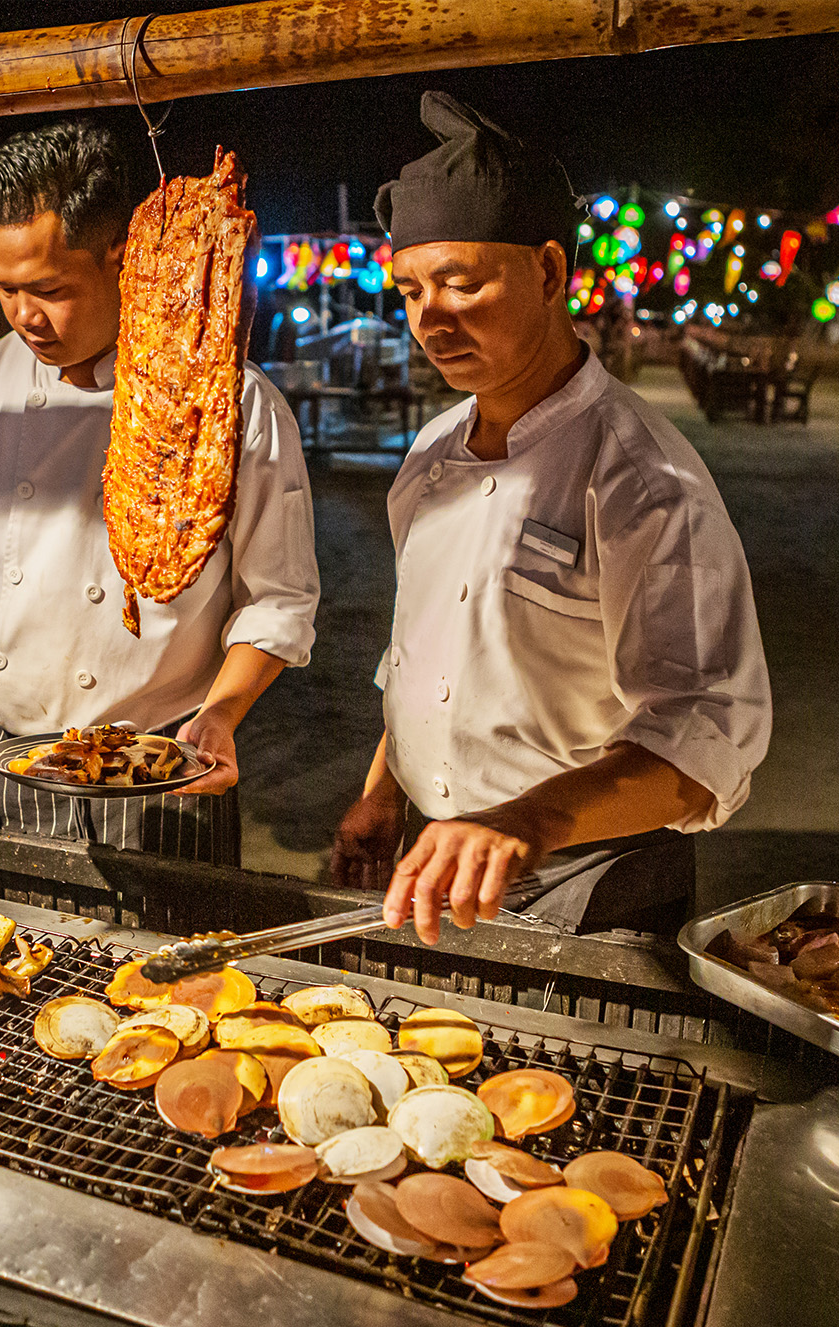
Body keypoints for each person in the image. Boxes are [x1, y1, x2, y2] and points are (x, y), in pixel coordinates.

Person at [329, 93, 771, 943]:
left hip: (590, 873)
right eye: (412, 290)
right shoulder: (428, 455)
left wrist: (529, 821)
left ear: (549, 270)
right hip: (444, 853)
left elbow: (703, 733)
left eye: (462, 283)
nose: (432, 319)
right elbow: (420, 652)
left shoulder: (643, 479)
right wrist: (385, 791)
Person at [0, 120, 320, 863]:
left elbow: (278, 602)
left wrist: (222, 714)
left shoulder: (227, 403)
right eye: (3, 286)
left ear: (123, 260)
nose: (22, 316)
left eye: (49, 289)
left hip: (156, 775)